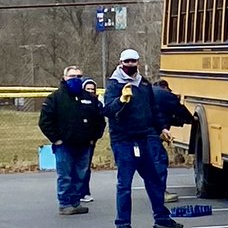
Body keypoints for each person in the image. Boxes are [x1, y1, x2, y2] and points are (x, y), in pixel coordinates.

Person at [104, 49, 184, 228]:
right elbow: (107, 110)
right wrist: (121, 100)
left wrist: (162, 128)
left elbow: (153, 109)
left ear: (138, 63)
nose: (131, 65)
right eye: (127, 62)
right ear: (121, 62)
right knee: (125, 184)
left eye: (134, 62)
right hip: (123, 140)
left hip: (144, 138)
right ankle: (123, 224)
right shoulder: (114, 85)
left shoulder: (144, 85)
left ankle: (162, 219)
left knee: (154, 180)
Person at [38, 65, 105, 216]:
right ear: (64, 78)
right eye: (72, 76)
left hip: (85, 145)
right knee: (65, 176)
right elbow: (45, 122)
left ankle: (75, 203)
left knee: (80, 175)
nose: (76, 79)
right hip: (64, 146)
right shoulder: (55, 98)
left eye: (79, 76)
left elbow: (100, 120)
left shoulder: (89, 98)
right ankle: (65, 204)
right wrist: (56, 140)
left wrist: (94, 138)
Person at [153, 79, 194, 204]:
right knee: (160, 160)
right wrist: (192, 120)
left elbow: (162, 115)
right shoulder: (166, 95)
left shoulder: (147, 92)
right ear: (165, 87)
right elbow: (182, 113)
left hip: (136, 134)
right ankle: (160, 193)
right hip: (152, 135)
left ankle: (155, 191)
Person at [80, 78, 101, 203]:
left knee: (85, 167)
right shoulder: (77, 102)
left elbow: (100, 123)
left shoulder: (97, 104)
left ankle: (84, 192)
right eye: (87, 89)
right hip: (75, 139)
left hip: (89, 141)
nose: (90, 91)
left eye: (92, 89)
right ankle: (72, 192)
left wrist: (95, 137)